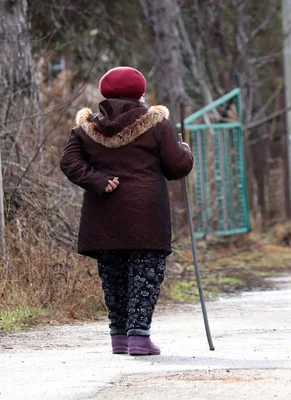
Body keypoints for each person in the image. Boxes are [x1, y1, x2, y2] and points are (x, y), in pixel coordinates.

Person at [60, 66, 194, 356]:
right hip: (146, 214)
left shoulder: (86, 128)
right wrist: (185, 151)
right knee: (145, 275)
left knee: (113, 276)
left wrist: (98, 180)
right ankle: (139, 338)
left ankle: (119, 338)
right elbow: (177, 167)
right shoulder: (156, 124)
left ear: (104, 93)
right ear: (140, 94)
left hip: (103, 215)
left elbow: (69, 162)